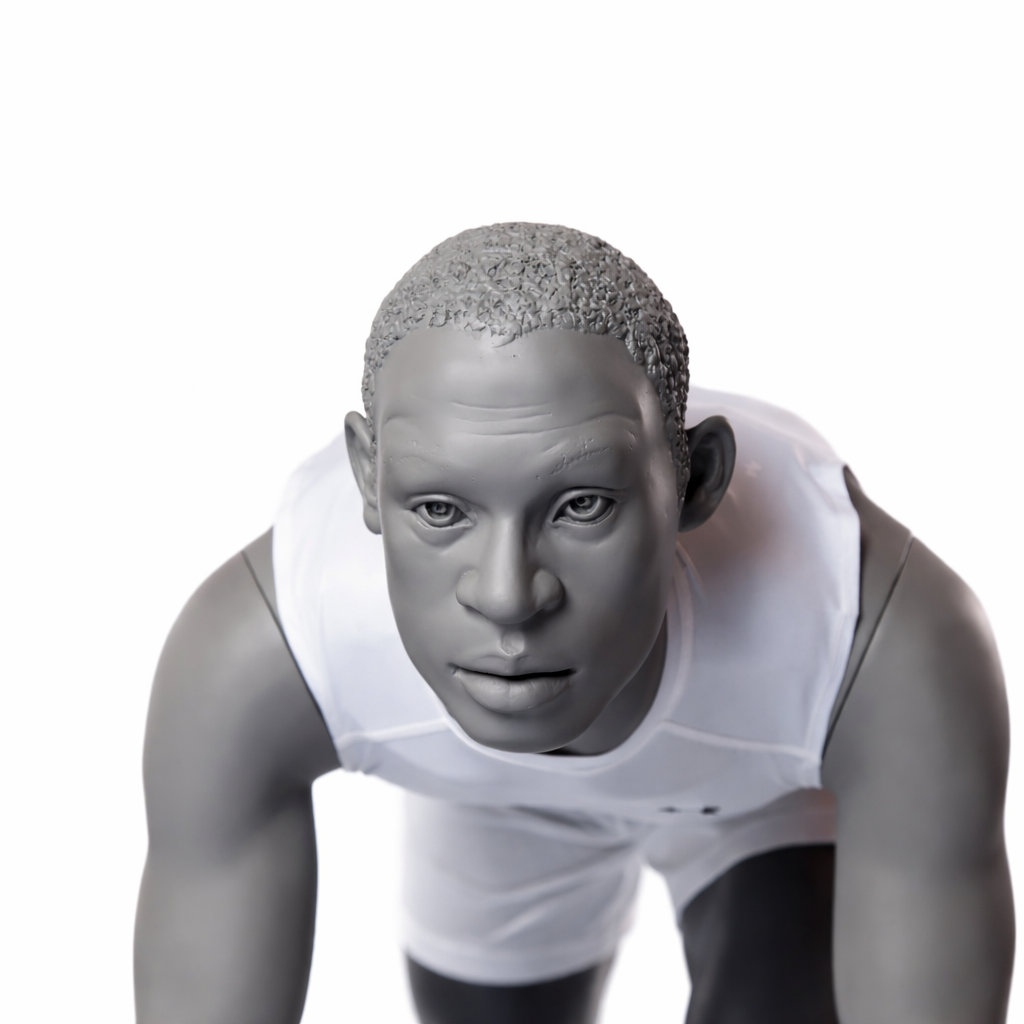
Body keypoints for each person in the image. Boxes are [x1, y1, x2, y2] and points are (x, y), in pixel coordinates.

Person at [135, 223, 1013, 1023]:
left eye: (582, 505)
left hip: (758, 798)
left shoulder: (873, 641)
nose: (508, 596)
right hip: (491, 804)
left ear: (697, 483)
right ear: (369, 477)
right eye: (440, 510)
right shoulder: (267, 652)